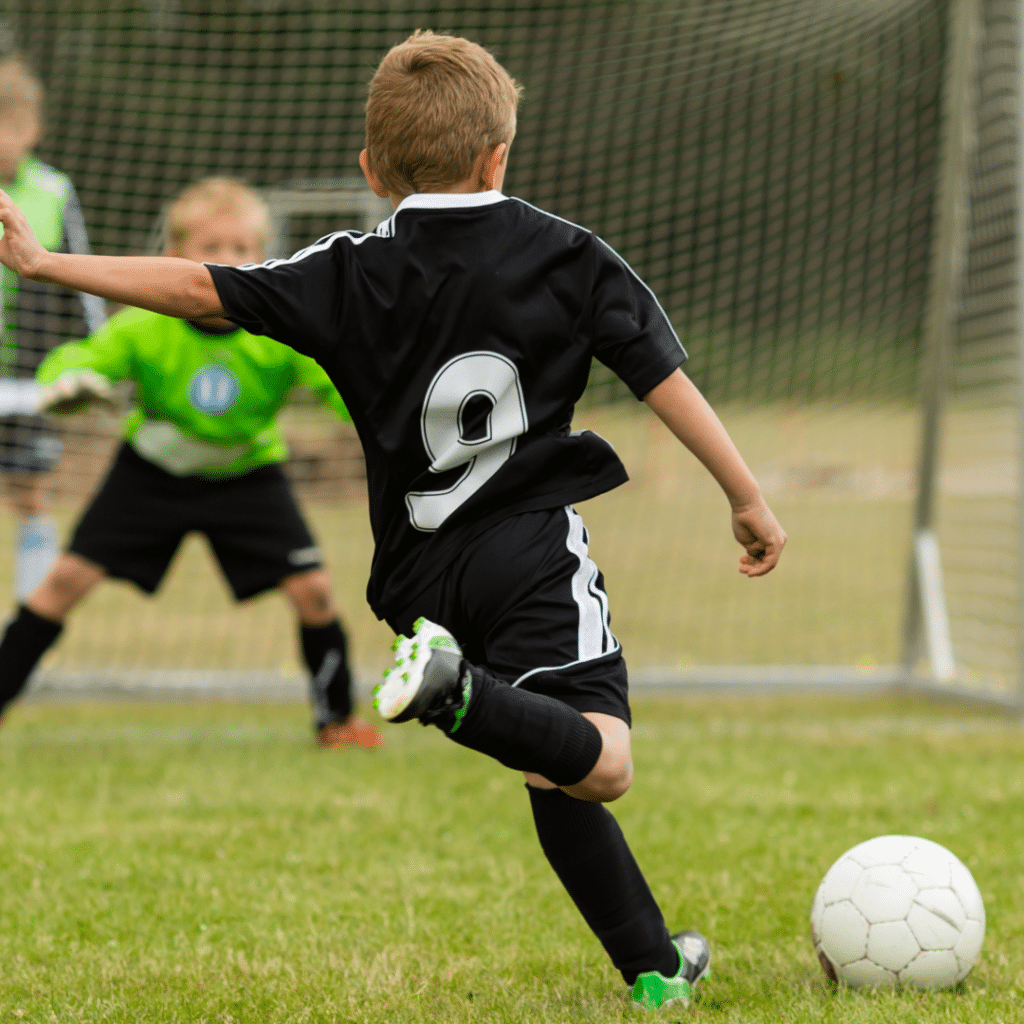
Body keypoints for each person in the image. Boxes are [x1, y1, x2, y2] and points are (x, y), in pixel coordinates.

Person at [0, 32, 786, 1008]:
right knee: (606, 759)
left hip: (417, 575)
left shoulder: (345, 270)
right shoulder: (569, 257)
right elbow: (663, 380)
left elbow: (196, 289)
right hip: (531, 548)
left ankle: (655, 970)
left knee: (555, 764)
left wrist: (46, 265)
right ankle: (457, 694)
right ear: (499, 154)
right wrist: (744, 496)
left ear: (371, 172)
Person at [0, 177, 381, 750]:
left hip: (248, 475)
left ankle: (336, 723)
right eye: (210, 248)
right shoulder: (143, 323)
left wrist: (386, 411)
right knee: (63, 583)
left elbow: (344, 388)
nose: (228, 262)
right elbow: (81, 360)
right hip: (150, 473)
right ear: (175, 258)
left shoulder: (281, 332)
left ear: (263, 257)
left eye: (241, 249)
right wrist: (68, 382)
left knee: (315, 592)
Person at [0, 53, 106, 599]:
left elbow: (80, 281)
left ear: (32, 129)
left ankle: (27, 621)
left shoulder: (54, 192)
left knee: (31, 494)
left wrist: (96, 357)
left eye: (7, 124)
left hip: (28, 380)